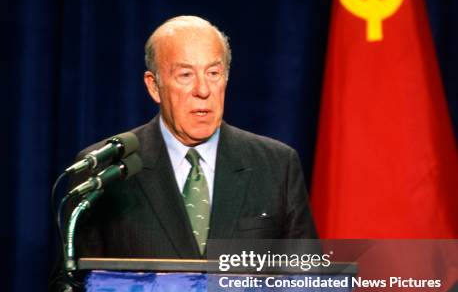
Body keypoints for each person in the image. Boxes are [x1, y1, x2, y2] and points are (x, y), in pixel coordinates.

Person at [73, 15, 315, 260]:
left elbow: (308, 283)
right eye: (186, 75)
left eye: (213, 73)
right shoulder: (106, 169)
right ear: (154, 86)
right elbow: (76, 289)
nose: (203, 90)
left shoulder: (277, 165)